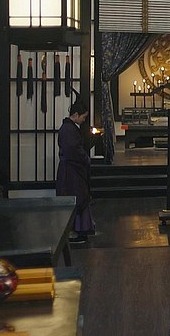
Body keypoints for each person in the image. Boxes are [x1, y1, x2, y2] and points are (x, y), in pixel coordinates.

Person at [56, 100, 95, 243]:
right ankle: (77, 231)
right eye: (83, 117)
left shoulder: (69, 128)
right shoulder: (68, 129)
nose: (84, 120)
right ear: (76, 115)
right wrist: (85, 159)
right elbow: (74, 150)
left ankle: (79, 230)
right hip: (71, 171)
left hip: (72, 169)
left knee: (79, 198)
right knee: (77, 199)